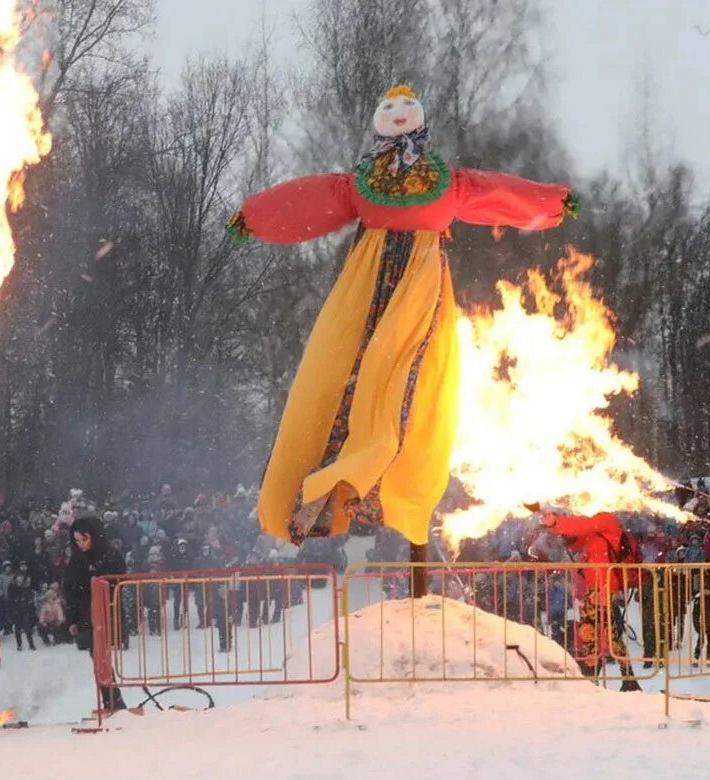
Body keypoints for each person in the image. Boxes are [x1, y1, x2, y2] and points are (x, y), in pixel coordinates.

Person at [237, 84, 575, 552]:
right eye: (389, 108)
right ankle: (336, 482)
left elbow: (495, 192)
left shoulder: (446, 180)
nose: (397, 115)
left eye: (405, 109)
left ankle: (377, 482)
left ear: (418, 119)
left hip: (419, 291)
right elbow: (312, 199)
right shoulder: (360, 181)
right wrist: (257, 216)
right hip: (365, 294)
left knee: (402, 386)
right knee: (347, 378)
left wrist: (549, 202)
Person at [539, 510, 642, 691]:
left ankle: (593, 672)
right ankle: (626, 677)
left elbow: (583, 525)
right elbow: (577, 542)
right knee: (607, 632)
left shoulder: (606, 520)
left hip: (604, 585)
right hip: (595, 585)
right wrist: (560, 530)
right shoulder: (596, 526)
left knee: (589, 627)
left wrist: (557, 522)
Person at [65, 516, 127, 710]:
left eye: (84, 539)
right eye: (77, 540)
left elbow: (118, 581)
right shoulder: (76, 560)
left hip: (107, 612)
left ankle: (114, 701)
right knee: (98, 659)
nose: (81, 544)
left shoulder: (110, 555)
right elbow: (71, 590)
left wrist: (97, 576)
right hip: (87, 615)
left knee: (102, 658)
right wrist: (73, 618)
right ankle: (112, 700)